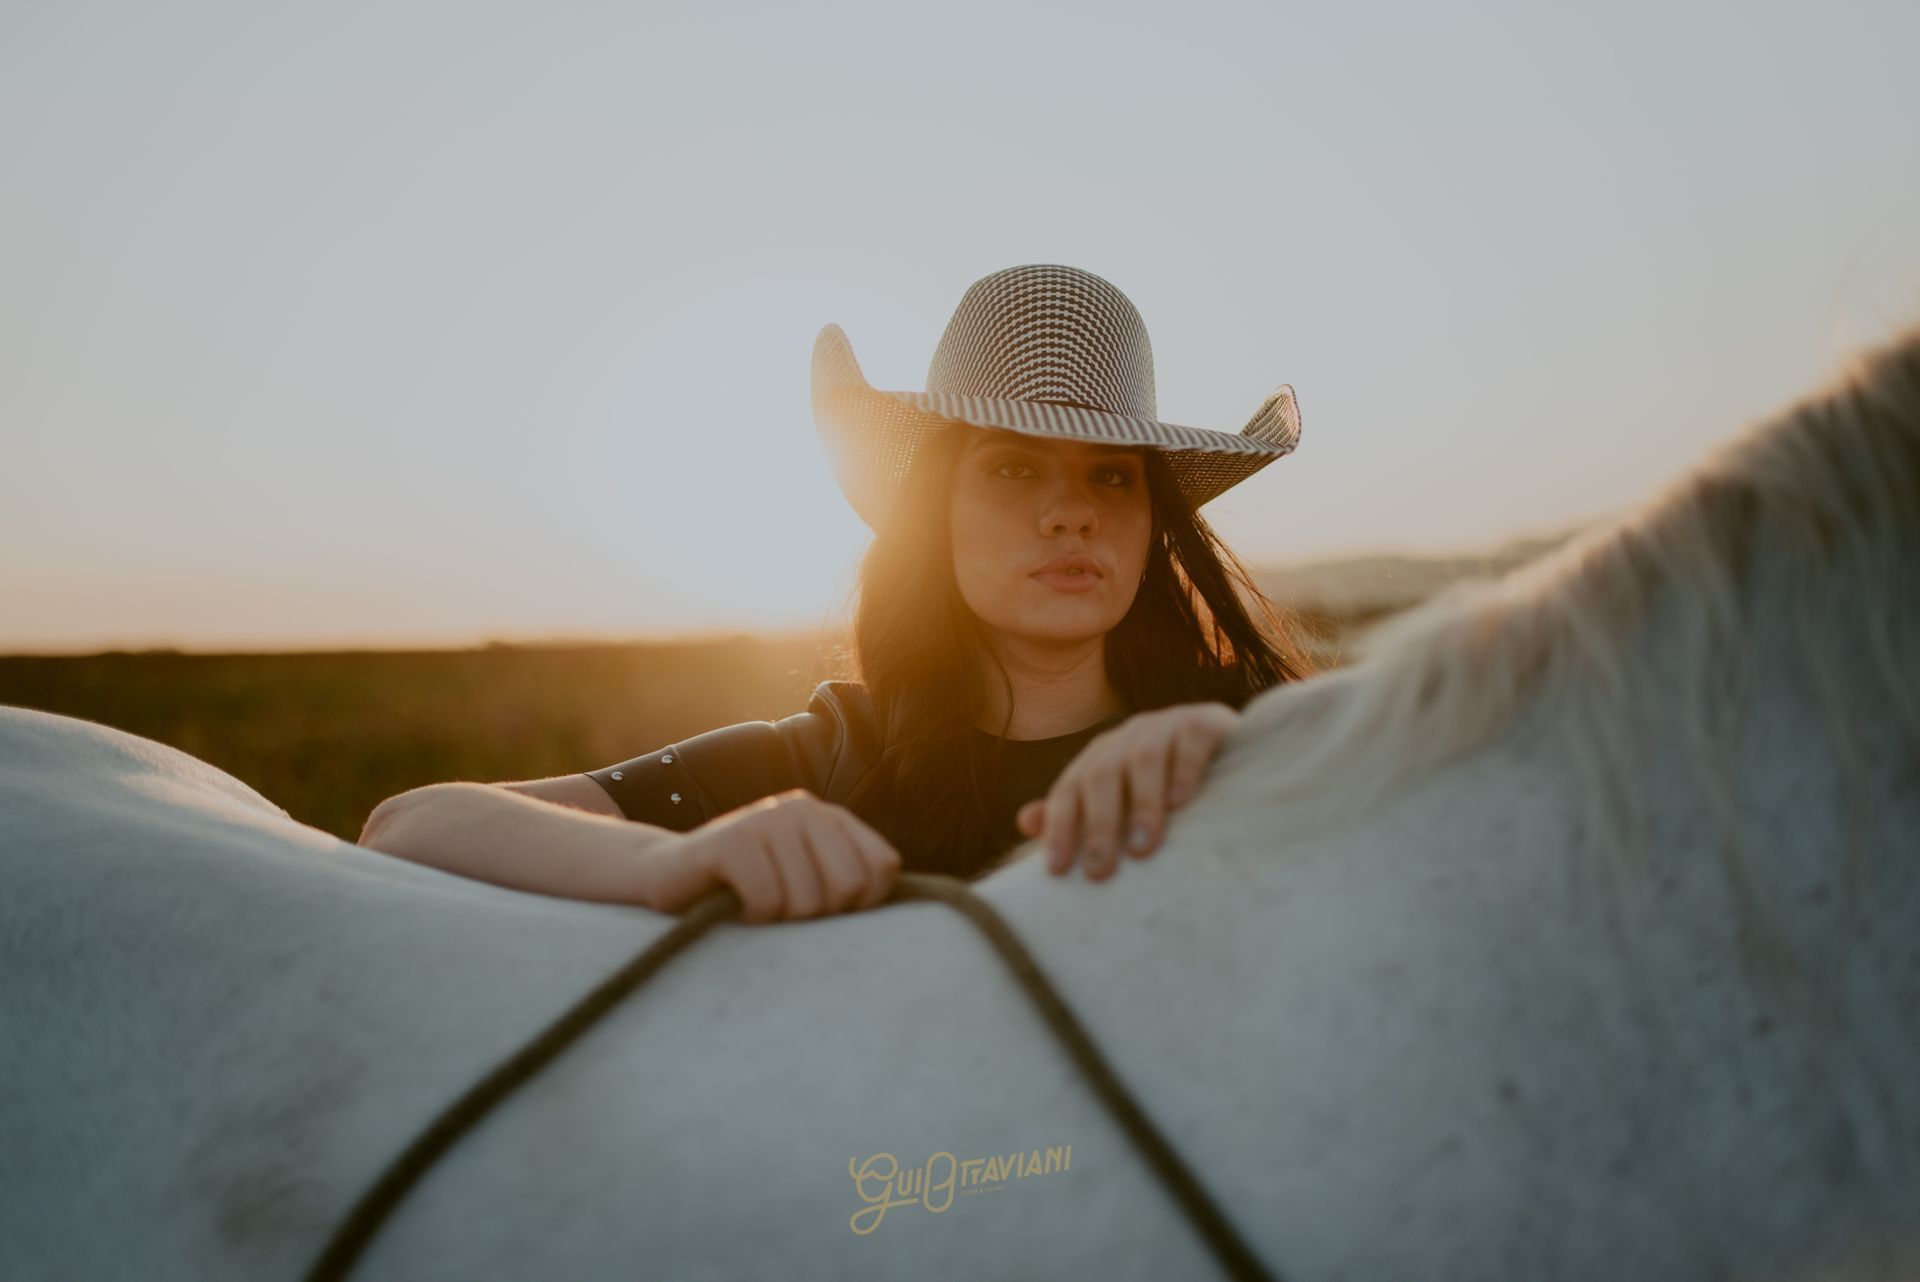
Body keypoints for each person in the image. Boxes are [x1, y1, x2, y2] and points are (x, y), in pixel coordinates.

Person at [360, 263, 1315, 923]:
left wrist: (1252, 757)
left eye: (1112, 475)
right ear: (932, 513)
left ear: (1153, 523)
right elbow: (412, 826)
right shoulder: (832, 762)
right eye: (1016, 470)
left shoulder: (1250, 739)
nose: (1071, 513)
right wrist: (671, 862)